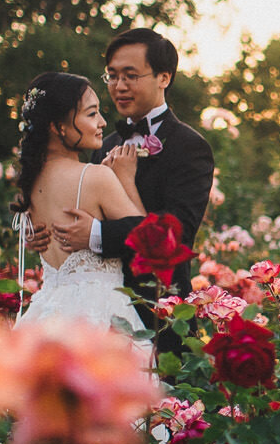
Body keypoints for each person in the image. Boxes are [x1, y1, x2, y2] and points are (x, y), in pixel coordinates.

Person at [24, 28, 217, 341]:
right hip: (96, 313)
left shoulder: (189, 146)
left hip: (159, 311)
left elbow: (176, 236)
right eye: (112, 76)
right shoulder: (103, 142)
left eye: (130, 75)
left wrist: (96, 234)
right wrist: (44, 232)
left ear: (163, 77)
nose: (119, 86)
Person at [11, 71, 148, 334]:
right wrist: (126, 179)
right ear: (57, 126)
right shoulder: (95, 176)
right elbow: (149, 241)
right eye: (92, 113)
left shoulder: (31, 183)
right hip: (98, 315)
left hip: (46, 315)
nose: (103, 122)